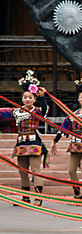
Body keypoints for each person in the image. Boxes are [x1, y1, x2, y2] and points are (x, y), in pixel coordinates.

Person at [0, 70, 49, 206]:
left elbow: (45, 110)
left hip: (34, 142)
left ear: (34, 99)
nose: (28, 99)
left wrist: (43, 97)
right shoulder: (16, 111)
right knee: (23, 172)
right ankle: (25, 197)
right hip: (21, 143)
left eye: (30, 97)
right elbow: (2, 113)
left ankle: (38, 197)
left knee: (35, 171)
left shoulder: (37, 111)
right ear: (22, 99)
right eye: (25, 97)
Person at [51, 78, 82, 200]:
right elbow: (63, 128)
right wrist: (55, 141)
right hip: (75, 144)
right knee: (71, 170)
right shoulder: (73, 114)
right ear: (78, 99)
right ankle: (77, 194)